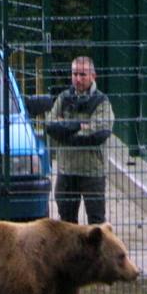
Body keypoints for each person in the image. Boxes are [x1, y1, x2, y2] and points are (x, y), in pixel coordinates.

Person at [44, 56, 114, 225]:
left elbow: (99, 133)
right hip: (66, 171)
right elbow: (50, 125)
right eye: (75, 74)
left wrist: (66, 131)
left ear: (93, 76)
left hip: (92, 171)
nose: (78, 79)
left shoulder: (101, 102)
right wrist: (79, 125)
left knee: (96, 223)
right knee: (67, 223)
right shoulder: (63, 98)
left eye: (82, 74)